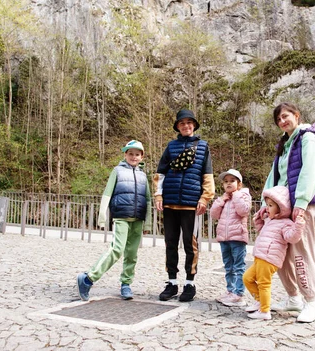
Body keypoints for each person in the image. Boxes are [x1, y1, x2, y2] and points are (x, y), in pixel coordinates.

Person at [255, 102, 315, 323]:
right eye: (278, 119)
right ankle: (293, 298)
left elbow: (310, 171)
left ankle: (310, 302)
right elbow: (274, 177)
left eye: (286, 116)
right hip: (283, 205)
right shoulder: (285, 145)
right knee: (280, 253)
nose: (282, 121)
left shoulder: (309, 139)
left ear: (297, 115)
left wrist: (302, 202)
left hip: (303, 204)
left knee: (301, 253)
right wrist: (264, 204)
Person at [77, 140, 151, 301]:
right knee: (117, 250)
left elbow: (148, 199)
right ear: (125, 154)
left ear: (142, 156)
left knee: (132, 254)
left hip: (138, 218)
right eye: (130, 153)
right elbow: (107, 193)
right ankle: (88, 278)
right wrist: (102, 216)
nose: (133, 156)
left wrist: (148, 222)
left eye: (137, 154)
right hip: (121, 217)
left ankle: (126, 284)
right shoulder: (117, 171)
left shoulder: (143, 175)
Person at [154, 109, 215, 302]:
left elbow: (207, 176)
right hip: (170, 202)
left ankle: (190, 283)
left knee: (191, 245)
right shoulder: (171, 147)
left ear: (194, 125)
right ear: (177, 127)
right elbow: (160, 173)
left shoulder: (203, 147)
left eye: (189, 123)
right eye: (182, 123)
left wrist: (205, 198)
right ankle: (171, 282)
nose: (186, 126)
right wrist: (158, 195)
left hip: (191, 204)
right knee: (170, 244)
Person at [243, 186, 305, 320]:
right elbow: (262, 232)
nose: (267, 208)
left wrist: (299, 225)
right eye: (267, 205)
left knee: (263, 283)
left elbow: (292, 237)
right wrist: (258, 220)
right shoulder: (271, 221)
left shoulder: (286, 223)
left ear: (281, 208)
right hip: (260, 256)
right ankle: (260, 301)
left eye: (271, 205)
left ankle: (264, 311)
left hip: (269, 258)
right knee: (247, 278)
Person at [210, 169, 251, 307]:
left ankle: (239, 294)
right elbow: (214, 214)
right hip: (224, 237)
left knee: (238, 266)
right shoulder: (224, 199)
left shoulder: (243, 196)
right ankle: (230, 291)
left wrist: (236, 196)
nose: (228, 184)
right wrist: (221, 201)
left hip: (237, 237)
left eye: (232, 181)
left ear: (239, 184)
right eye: (226, 181)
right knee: (228, 266)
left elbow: (244, 211)